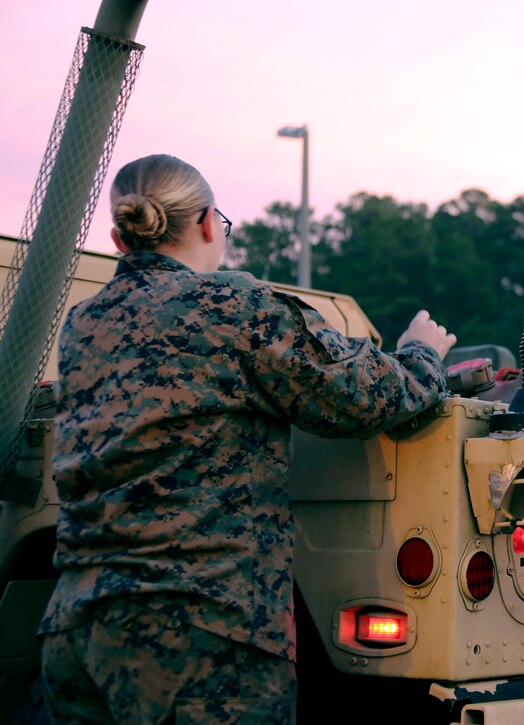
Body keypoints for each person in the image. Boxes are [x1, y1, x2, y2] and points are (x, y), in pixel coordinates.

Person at [37, 154, 456, 724]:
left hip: (77, 630)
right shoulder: (233, 307)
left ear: (118, 238)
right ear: (210, 223)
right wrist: (422, 352)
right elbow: (360, 395)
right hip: (201, 634)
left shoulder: (83, 324)